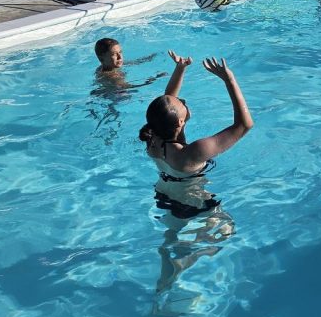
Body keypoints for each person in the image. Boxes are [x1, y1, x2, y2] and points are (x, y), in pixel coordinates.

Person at [139, 50, 253, 220]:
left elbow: (166, 104)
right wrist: (229, 80)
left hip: (163, 194)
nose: (183, 101)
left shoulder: (153, 138)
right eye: (182, 104)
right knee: (227, 230)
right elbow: (244, 125)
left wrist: (180, 68)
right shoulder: (192, 153)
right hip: (193, 203)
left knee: (171, 235)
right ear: (180, 122)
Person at [94, 37, 165, 93]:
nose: (120, 57)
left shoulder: (107, 66)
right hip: (118, 96)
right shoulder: (112, 77)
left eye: (120, 52)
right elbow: (131, 88)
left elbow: (133, 62)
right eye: (114, 54)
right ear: (101, 58)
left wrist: (147, 59)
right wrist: (153, 79)